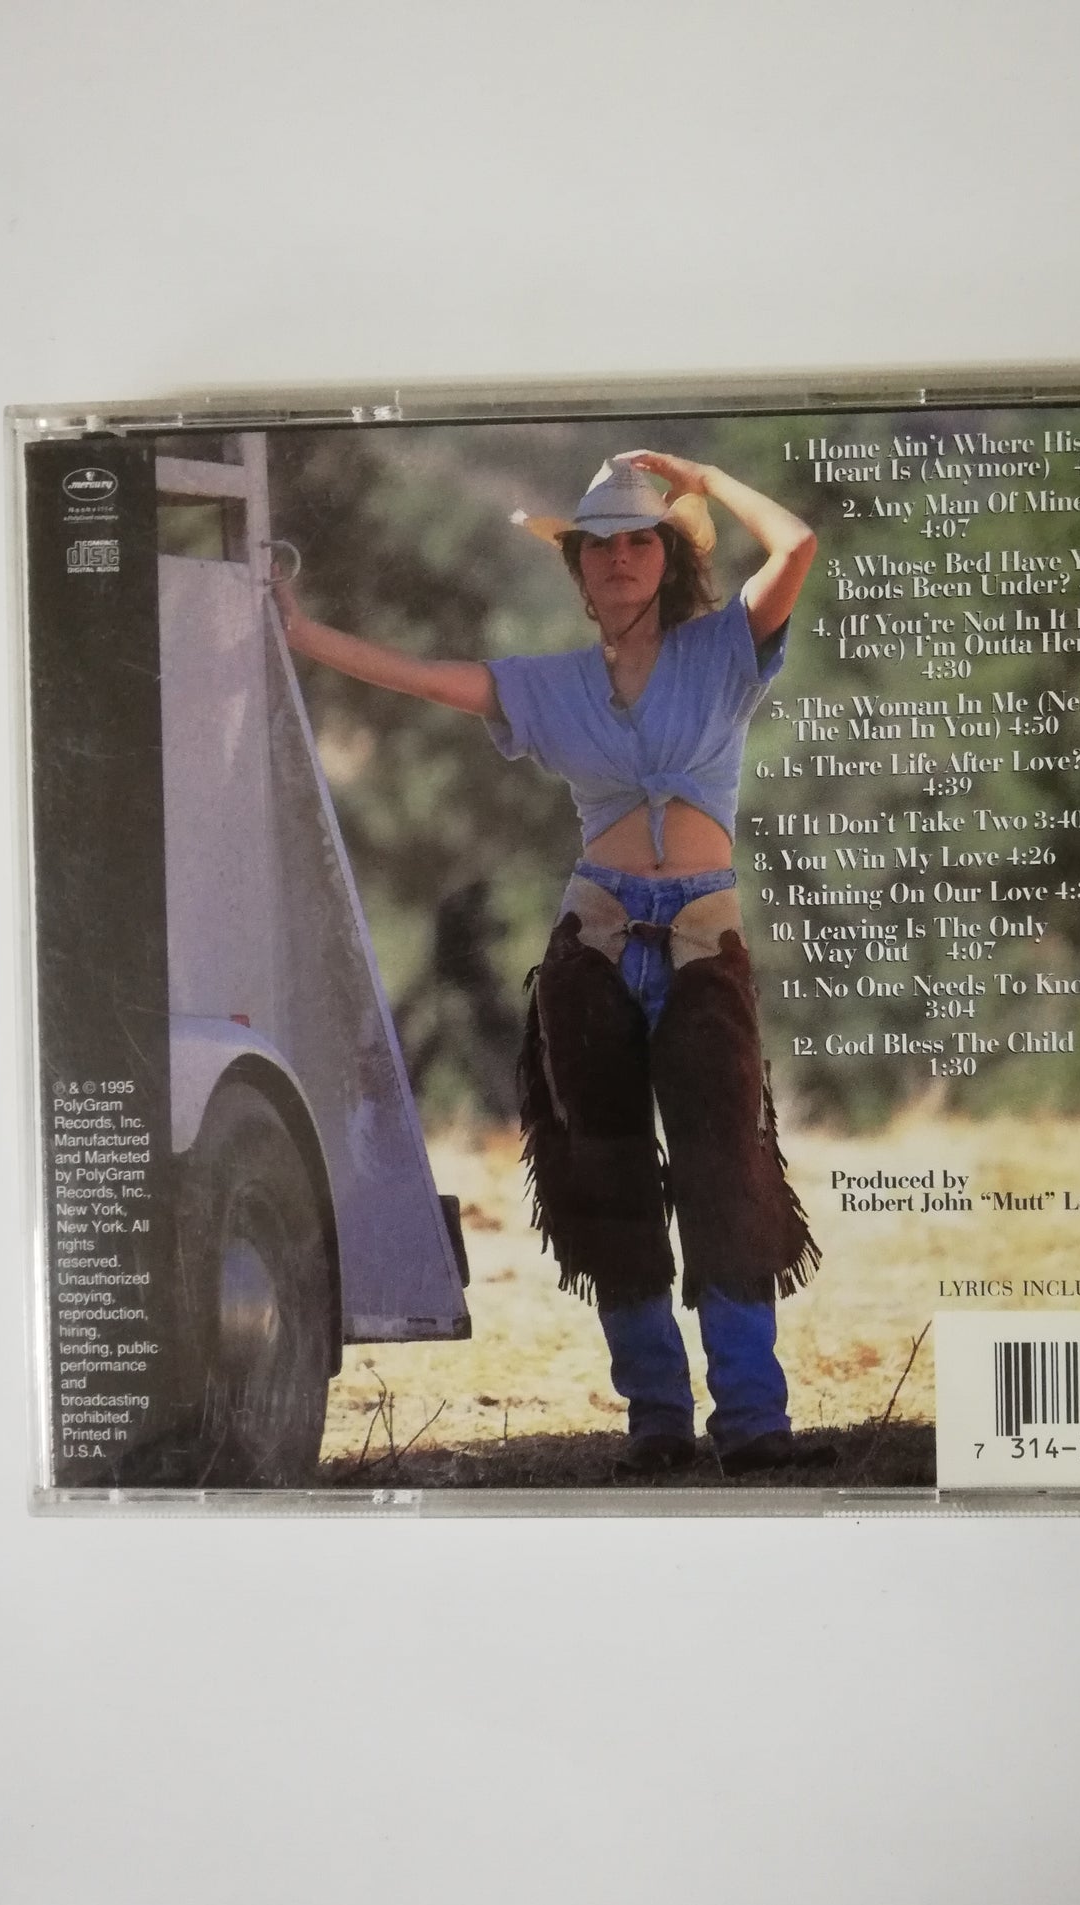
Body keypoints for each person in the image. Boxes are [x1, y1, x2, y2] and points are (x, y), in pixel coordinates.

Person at [273, 449, 821, 1476]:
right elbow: (420, 676)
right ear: (576, 569)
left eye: (639, 540)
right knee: (606, 1183)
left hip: (704, 939)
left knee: (726, 1172)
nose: (619, 558)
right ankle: (656, 1421)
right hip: (593, 943)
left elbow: (794, 545)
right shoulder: (547, 685)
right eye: (598, 546)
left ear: (667, 556)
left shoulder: (724, 649)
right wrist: (299, 633)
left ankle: (753, 1422)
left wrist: (702, 478)